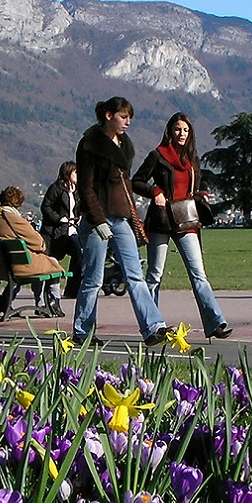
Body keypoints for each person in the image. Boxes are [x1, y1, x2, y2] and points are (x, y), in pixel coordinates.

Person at [73, 97, 170, 346]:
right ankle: (83, 332)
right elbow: (86, 187)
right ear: (109, 116)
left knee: (135, 274)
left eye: (129, 118)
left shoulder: (124, 144)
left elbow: (125, 185)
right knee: (93, 278)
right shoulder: (90, 145)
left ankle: (153, 327)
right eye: (123, 116)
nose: (127, 122)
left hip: (122, 217)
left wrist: (130, 213)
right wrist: (97, 219)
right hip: (99, 220)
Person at [133, 112, 232, 339]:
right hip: (162, 221)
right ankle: (152, 328)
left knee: (199, 273)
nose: (182, 134)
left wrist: (200, 194)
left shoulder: (192, 159)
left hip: (186, 220)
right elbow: (136, 182)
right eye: (178, 129)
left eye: (186, 130)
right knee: (155, 275)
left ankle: (215, 322)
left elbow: (191, 185)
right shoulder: (158, 155)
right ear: (170, 130)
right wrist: (155, 191)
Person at [0, 185, 67, 316]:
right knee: (53, 262)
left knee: (26, 265)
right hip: (17, 265)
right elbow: (38, 242)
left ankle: (5, 300)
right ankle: (52, 302)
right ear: (18, 202)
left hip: (0, 266)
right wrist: (40, 246)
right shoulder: (12, 218)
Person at [40, 161, 83, 298]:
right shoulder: (56, 188)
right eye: (75, 172)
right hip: (56, 232)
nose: (78, 175)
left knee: (78, 254)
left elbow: (79, 208)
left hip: (71, 231)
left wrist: (80, 216)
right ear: (68, 172)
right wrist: (59, 218)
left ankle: (72, 290)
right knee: (53, 259)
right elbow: (46, 207)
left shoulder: (77, 190)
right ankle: (49, 292)